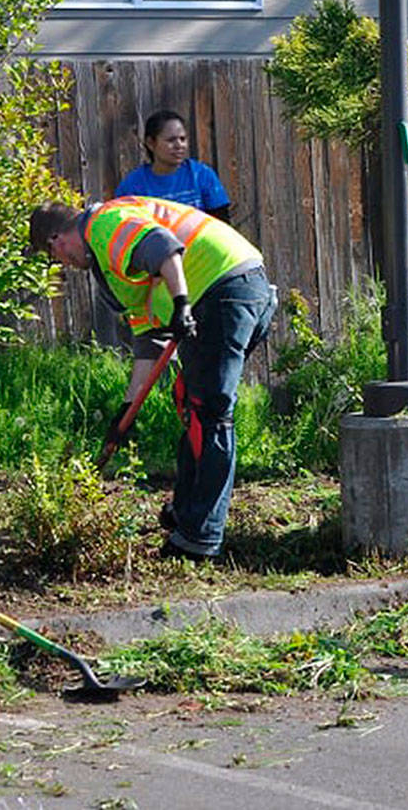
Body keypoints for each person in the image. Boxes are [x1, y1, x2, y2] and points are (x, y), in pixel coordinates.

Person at [28, 195, 276, 560]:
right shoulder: (112, 265)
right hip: (229, 289)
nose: (65, 264)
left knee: (210, 412)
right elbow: (148, 343)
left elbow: (163, 248)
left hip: (222, 288)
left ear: (56, 241)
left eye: (56, 258)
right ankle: (187, 512)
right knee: (193, 401)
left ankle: (199, 538)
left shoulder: (105, 225)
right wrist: (126, 411)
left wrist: (181, 304)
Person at [115, 110, 232, 222]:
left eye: (182, 139)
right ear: (151, 143)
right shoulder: (132, 186)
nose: (179, 145)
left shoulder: (202, 175)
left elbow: (221, 225)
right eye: (171, 140)